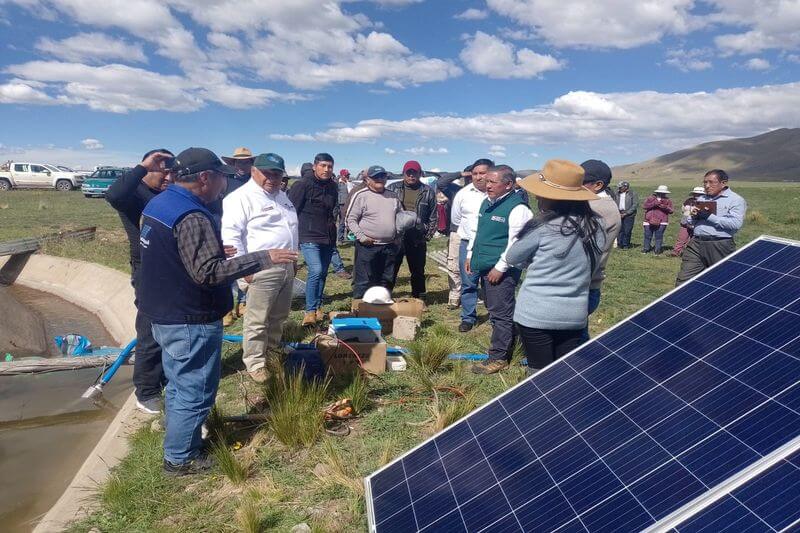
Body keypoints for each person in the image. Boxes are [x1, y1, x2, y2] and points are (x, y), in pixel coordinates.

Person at [138, 147, 297, 475]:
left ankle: (182, 439)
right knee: (195, 387)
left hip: (165, 312)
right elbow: (207, 273)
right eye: (222, 176)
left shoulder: (161, 204)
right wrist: (262, 257)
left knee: (180, 383)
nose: (225, 183)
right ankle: (181, 459)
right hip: (188, 317)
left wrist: (212, 246)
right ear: (205, 178)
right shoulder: (192, 215)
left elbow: (179, 253)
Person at [509, 160, 605, 374]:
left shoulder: (543, 227)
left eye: (541, 193)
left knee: (538, 373)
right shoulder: (596, 225)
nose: (537, 197)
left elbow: (513, 256)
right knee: (564, 374)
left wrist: (532, 261)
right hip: (574, 315)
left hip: (536, 314)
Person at [105, 148, 173, 415]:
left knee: (170, 328)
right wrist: (143, 166)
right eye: (162, 169)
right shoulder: (134, 194)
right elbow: (113, 194)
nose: (167, 176)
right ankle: (146, 392)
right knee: (149, 332)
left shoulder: (167, 194)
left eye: (171, 171)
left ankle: (165, 378)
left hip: (171, 270)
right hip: (146, 272)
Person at [221, 153, 298, 384]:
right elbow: (231, 236)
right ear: (254, 171)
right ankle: (255, 362)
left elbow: (290, 228)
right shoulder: (240, 198)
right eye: (267, 173)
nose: (272, 178)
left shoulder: (282, 197)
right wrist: (245, 270)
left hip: (286, 265)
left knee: (279, 315)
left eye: (277, 174)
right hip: (259, 268)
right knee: (257, 318)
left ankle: (272, 350)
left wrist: (293, 261)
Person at [467, 165, 532, 374]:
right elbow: (478, 232)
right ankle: (514, 343)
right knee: (495, 309)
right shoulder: (487, 203)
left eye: (493, 182)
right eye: (487, 181)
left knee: (501, 313)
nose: (487, 186)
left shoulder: (518, 208)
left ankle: (498, 357)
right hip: (484, 265)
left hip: (501, 270)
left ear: (509, 184)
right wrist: (470, 254)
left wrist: (500, 268)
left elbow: (516, 243)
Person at [288, 154, 338, 326]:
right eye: (323, 165)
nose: (326, 169)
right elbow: (291, 211)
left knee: (323, 272)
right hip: (309, 235)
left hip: (328, 235)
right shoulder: (302, 185)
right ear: (315, 166)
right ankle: (309, 312)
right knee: (315, 270)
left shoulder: (333, 186)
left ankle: (317, 307)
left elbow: (333, 210)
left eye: (330, 166)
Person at [675, 169, 746, 285]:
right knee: (684, 279)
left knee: (722, 281)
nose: (707, 186)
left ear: (723, 183)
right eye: (705, 182)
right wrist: (693, 216)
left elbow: (735, 224)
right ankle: (680, 301)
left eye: (711, 182)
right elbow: (690, 220)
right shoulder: (702, 199)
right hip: (696, 243)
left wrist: (709, 217)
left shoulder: (736, 200)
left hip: (720, 244)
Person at [346, 165, 402, 299]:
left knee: (386, 280)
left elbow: (401, 218)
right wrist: (361, 237)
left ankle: (383, 309)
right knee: (364, 281)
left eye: (382, 176)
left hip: (389, 246)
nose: (380, 179)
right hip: (368, 246)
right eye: (376, 177)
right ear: (367, 180)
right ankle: (360, 311)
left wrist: (398, 236)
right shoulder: (361, 195)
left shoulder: (393, 196)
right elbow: (350, 219)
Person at [580, 160, 621, 341]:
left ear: (597, 185)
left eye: (580, 182)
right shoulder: (591, 203)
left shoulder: (598, 209)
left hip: (583, 286)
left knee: (572, 341)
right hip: (582, 284)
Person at [451, 158, 493, 332]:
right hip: (468, 244)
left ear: (491, 173)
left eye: (482, 173)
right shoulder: (463, 194)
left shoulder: (499, 196)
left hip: (492, 246)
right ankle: (468, 317)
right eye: (475, 173)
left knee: (491, 283)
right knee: (469, 282)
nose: (478, 177)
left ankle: (495, 317)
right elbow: (456, 219)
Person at [217, 147, 256, 326]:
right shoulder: (225, 182)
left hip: (249, 232)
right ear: (233, 164)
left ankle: (243, 302)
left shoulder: (256, 183)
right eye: (238, 162)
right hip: (228, 230)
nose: (242, 165)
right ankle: (227, 309)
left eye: (246, 162)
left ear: (250, 164)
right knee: (228, 270)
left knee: (246, 266)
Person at [388, 160, 438, 298]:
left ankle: (418, 297)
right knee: (390, 268)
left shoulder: (428, 191)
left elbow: (433, 216)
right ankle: (385, 296)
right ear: (403, 173)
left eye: (414, 173)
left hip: (417, 236)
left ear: (419, 174)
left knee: (417, 270)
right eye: (408, 173)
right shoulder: (392, 188)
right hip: (395, 236)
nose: (411, 176)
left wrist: (426, 236)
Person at [437, 165, 472, 308]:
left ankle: (470, 295)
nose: (474, 178)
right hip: (457, 233)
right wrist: (460, 173)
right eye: (470, 175)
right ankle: (455, 296)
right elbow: (441, 183)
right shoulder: (457, 191)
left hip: (477, 233)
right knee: (454, 266)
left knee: (472, 266)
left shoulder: (487, 193)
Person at [670, 186, 705, 257]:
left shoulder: (705, 203)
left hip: (696, 224)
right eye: (696, 194)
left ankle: (688, 253)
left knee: (693, 239)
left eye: (699, 194)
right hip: (685, 223)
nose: (697, 195)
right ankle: (676, 251)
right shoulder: (688, 201)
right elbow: (683, 209)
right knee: (681, 238)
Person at [642, 185, 674, 255]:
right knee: (647, 235)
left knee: (659, 236)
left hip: (662, 221)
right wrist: (654, 204)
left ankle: (657, 250)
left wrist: (664, 207)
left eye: (663, 193)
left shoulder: (668, 200)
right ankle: (646, 248)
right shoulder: (650, 198)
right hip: (648, 220)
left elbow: (671, 210)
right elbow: (644, 206)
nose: (662, 194)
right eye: (660, 192)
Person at [614, 181, 638, 248]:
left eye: (620, 187)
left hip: (629, 215)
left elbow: (635, 205)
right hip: (619, 213)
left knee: (627, 230)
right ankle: (619, 244)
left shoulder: (633, 194)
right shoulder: (616, 194)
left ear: (625, 187)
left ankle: (625, 244)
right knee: (619, 230)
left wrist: (626, 213)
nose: (619, 188)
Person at [336, 169, 353, 243]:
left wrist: (348, 183)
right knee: (342, 221)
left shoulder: (349, 183)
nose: (348, 176)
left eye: (348, 175)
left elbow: (351, 192)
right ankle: (340, 238)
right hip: (341, 204)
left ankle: (349, 237)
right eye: (346, 175)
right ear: (342, 176)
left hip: (349, 204)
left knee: (349, 220)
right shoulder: (337, 183)